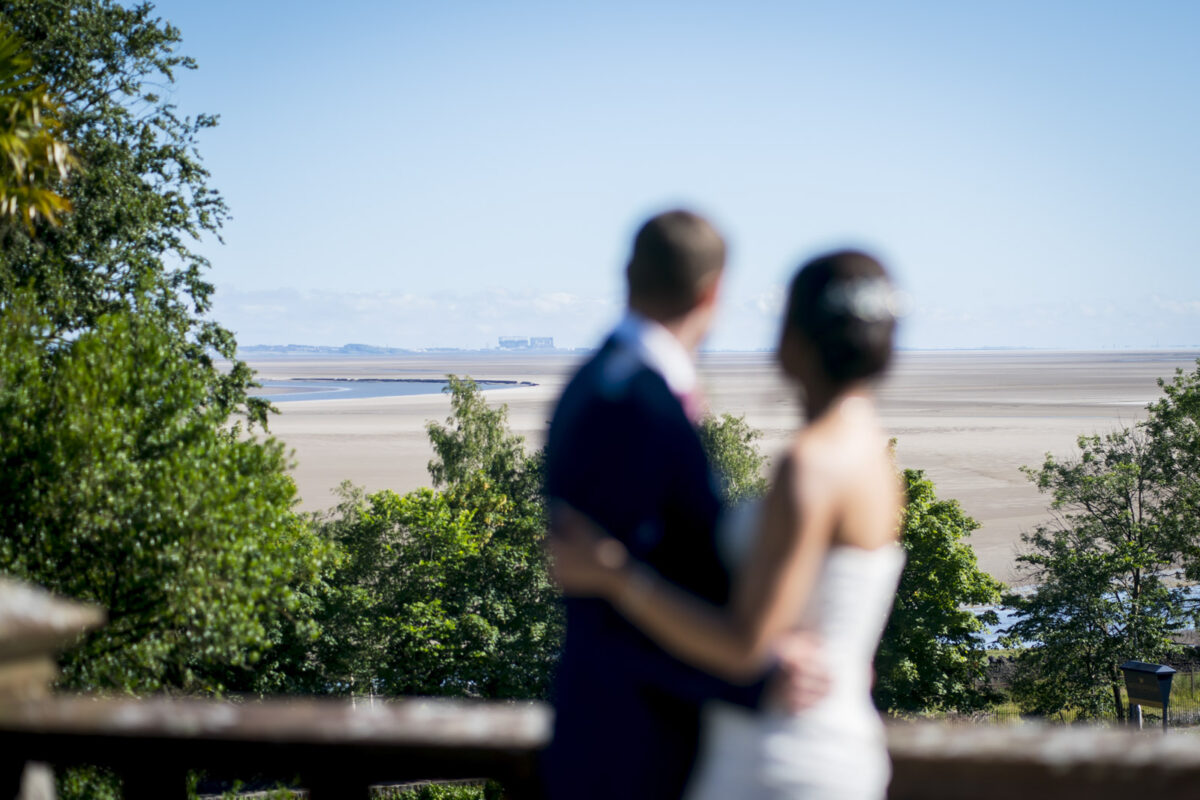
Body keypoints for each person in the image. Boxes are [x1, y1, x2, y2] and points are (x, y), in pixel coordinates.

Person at [550, 249, 905, 800]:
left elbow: (745, 646)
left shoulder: (809, 466)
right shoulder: (874, 456)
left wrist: (615, 575)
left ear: (791, 339)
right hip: (838, 738)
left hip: (776, 755)